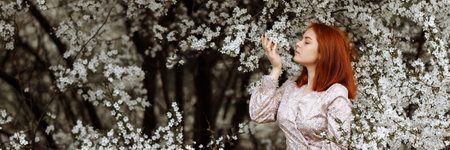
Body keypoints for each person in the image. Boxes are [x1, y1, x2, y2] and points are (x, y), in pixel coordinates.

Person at [249, 23, 357, 150]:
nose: (298, 44)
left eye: (307, 42)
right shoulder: (292, 86)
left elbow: (338, 146)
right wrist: (276, 69)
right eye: (301, 39)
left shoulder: (335, 94)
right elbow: (258, 114)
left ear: (324, 52)